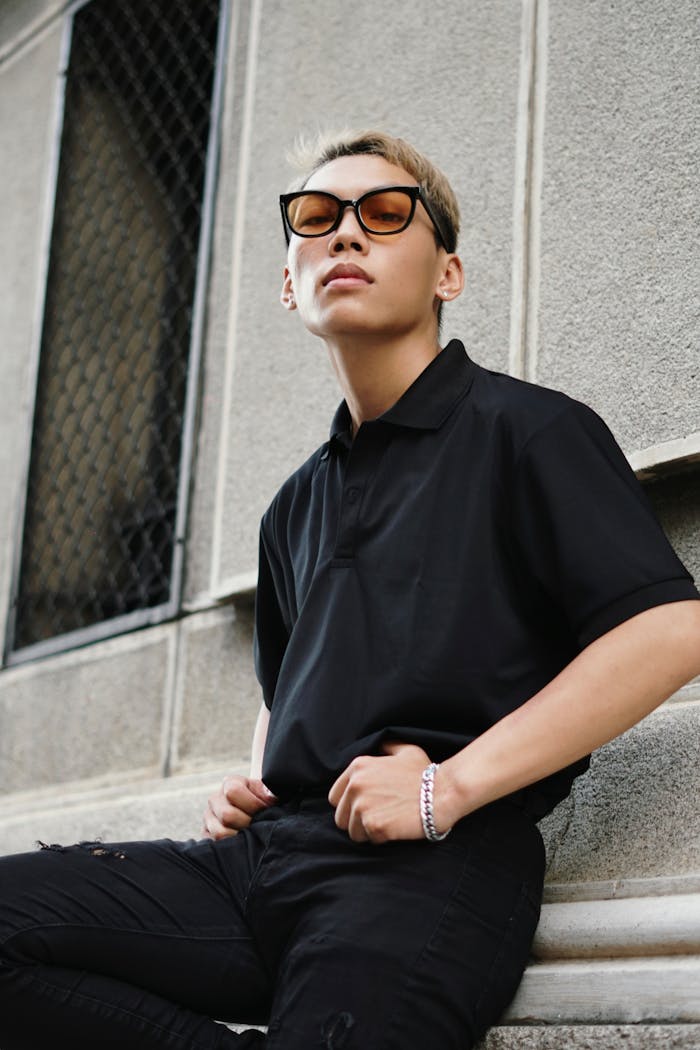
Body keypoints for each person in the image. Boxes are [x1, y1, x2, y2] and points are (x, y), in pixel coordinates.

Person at [0, 130, 699, 1050]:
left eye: (384, 215)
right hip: (258, 864)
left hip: (429, 870)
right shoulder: (292, 506)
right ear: (290, 284)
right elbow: (288, 685)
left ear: (447, 274)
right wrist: (255, 775)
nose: (346, 237)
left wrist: (447, 787)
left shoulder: (527, 432)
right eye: (318, 220)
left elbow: (669, 629)